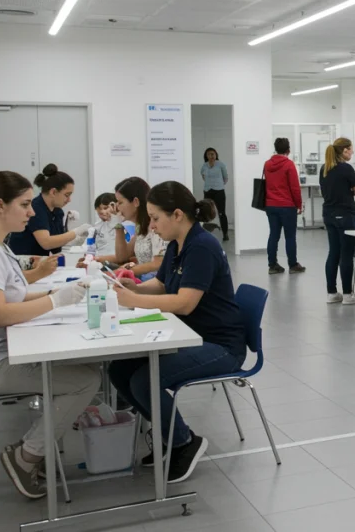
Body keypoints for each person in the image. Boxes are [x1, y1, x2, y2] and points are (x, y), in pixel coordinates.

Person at [0, 171, 99, 499]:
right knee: (86, 380)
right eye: (25, 204)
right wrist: (54, 301)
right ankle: (26, 457)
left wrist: (53, 293)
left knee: (79, 370)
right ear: (0, 205)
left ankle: (36, 449)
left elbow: (10, 295)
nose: (31, 211)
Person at [108, 181, 245, 484]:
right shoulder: (177, 244)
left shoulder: (202, 246)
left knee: (145, 380)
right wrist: (135, 287)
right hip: (191, 336)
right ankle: (167, 433)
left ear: (178, 215)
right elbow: (162, 284)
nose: (152, 226)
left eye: (156, 218)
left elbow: (184, 303)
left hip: (220, 346)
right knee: (120, 371)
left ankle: (184, 441)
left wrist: (133, 301)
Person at [8, 164, 90, 256]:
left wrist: (75, 240)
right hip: (23, 259)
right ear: (53, 192)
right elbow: (46, 243)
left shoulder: (57, 211)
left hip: (40, 259)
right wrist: (75, 232)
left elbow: (56, 247)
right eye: (67, 195)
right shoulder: (36, 208)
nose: (69, 200)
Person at [94, 177, 166, 281]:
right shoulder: (141, 227)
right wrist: (118, 225)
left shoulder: (155, 226)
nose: (117, 207)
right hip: (144, 280)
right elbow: (122, 257)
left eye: (120, 202)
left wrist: (121, 272)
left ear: (136, 202)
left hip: (154, 283)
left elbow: (158, 264)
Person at [320, 137, 355, 305]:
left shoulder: (325, 168)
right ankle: (347, 294)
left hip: (329, 214)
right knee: (346, 254)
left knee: (333, 253)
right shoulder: (346, 169)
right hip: (344, 215)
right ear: (344, 150)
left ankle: (332, 293)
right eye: (351, 149)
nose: (352, 152)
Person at [264, 137, 305, 275]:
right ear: (288, 150)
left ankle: (272, 265)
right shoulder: (289, 165)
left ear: (276, 148)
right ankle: (293, 265)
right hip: (287, 206)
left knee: (273, 235)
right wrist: (299, 204)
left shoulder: (267, 164)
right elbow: (294, 187)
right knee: (290, 236)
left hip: (270, 205)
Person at [200, 147, 230, 241]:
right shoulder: (204, 166)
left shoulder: (221, 165)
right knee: (205, 212)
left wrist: (218, 184)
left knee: (222, 213)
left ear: (216, 155)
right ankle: (205, 233)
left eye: (213, 154)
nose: (211, 156)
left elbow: (225, 178)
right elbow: (203, 176)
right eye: (209, 154)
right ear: (206, 156)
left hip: (219, 191)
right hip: (208, 191)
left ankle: (225, 234)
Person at [90, 192, 124, 258]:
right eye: (99, 209)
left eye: (105, 208)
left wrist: (115, 217)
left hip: (116, 260)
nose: (102, 212)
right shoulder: (98, 226)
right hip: (100, 260)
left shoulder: (123, 222)